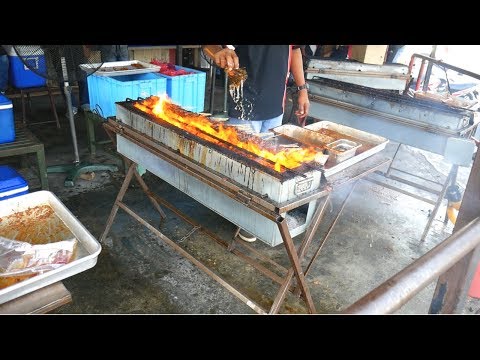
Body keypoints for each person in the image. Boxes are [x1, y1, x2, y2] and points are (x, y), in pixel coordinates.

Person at [203, 45, 309, 242]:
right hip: (242, 101)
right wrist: (218, 51)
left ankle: (260, 213)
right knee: (241, 166)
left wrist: (302, 89)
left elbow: (295, 50)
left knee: (267, 165)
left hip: (275, 103)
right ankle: (243, 217)